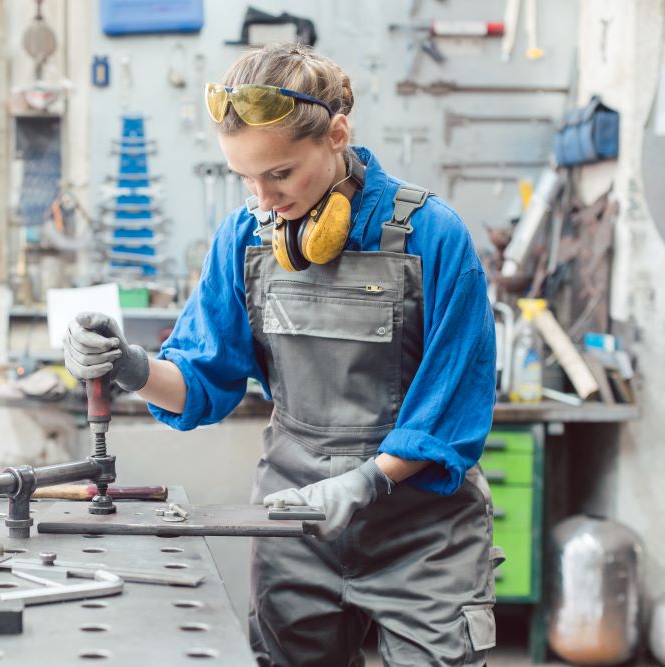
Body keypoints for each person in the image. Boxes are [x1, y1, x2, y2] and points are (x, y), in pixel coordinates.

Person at [63, 42, 498, 667]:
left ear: (336, 135)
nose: (264, 199)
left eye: (281, 174)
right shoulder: (246, 237)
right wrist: (128, 365)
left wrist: (368, 479)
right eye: (246, 178)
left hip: (422, 537)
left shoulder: (433, 236)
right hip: (294, 525)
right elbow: (200, 383)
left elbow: (451, 410)